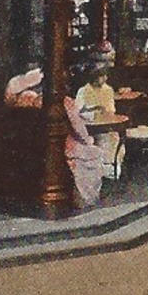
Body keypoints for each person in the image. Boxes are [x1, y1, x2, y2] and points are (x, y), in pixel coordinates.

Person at [62, 72, 106, 208]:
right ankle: (86, 197)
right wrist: (88, 140)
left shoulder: (25, 99)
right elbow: (79, 128)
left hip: (59, 143)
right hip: (66, 145)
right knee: (95, 150)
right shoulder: (66, 102)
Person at [74, 64, 122, 179]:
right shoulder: (83, 91)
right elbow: (78, 110)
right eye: (101, 76)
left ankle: (111, 168)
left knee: (112, 137)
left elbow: (111, 109)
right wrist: (93, 109)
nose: (104, 78)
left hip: (106, 123)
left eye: (105, 75)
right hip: (88, 125)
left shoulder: (108, 90)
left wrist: (106, 112)